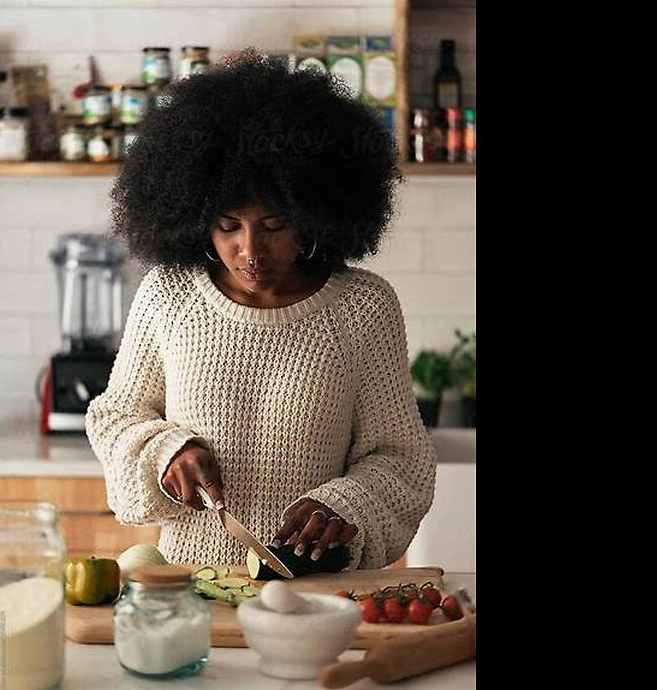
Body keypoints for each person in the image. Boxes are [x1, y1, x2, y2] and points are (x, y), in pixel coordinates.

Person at [86, 55, 436, 571]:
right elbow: (116, 417)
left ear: (314, 217)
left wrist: (347, 506)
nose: (251, 250)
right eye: (229, 226)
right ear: (196, 217)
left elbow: (403, 461)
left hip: (317, 596)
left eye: (274, 225)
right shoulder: (170, 295)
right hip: (187, 589)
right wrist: (167, 453)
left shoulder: (363, 309)